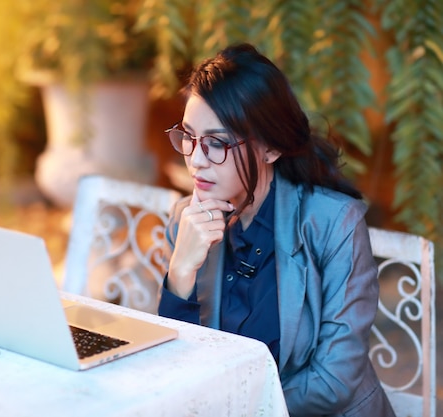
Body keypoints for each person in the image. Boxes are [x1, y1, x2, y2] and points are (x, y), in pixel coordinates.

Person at [158, 43, 396, 416]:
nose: (196, 160)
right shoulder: (185, 220)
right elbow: (176, 368)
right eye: (189, 137)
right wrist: (181, 273)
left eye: (217, 143)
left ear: (269, 149)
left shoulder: (334, 223)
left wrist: (239, 407)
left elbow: (334, 381)